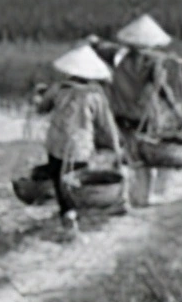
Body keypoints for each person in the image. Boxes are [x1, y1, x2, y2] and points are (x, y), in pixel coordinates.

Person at [32, 45, 123, 239]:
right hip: (80, 146)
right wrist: (116, 148)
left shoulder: (57, 89)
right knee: (76, 182)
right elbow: (107, 125)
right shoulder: (95, 95)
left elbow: (41, 109)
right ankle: (76, 218)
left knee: (59, 181)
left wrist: (39, 95)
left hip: (56, 143)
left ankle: (68, 217)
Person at [89, 14, 182, 153]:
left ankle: (127, 169)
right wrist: (176, 111)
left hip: (120, 113)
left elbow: (95, 44)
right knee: (146, 152)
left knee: (125, 151)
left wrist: (95, 42)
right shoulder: (152, 63)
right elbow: (162, 88)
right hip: (143, 115)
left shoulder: (115, 55)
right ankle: (148, 173)